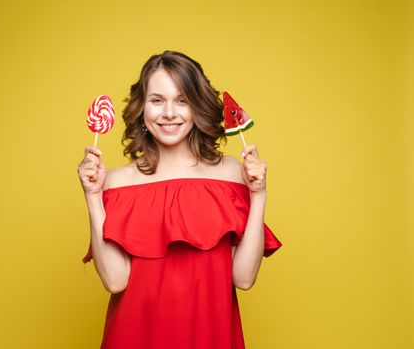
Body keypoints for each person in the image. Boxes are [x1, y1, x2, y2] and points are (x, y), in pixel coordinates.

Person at [77, 50, 282, 349]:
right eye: (157, 100)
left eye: (182, 100)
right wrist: (93, 196)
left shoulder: (233, 175)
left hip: (210, 337)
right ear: (142, 108)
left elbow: (244, 278)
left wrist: (258, 194)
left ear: (197, 107)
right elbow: (115, 281)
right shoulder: (118, 181)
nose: (169, 113)